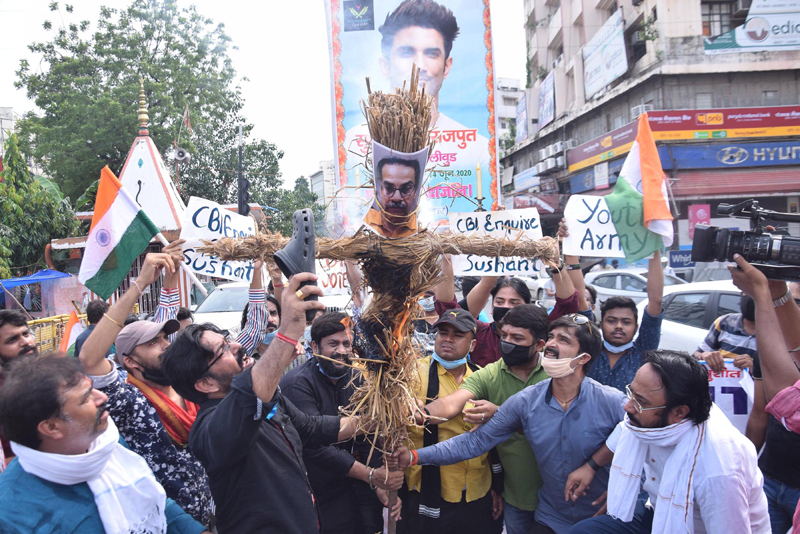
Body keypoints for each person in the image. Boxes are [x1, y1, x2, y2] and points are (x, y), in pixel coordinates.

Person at [161, 273, 371, 533]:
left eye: (228, 339)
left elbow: (312, 429)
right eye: (223, 350)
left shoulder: (271, 399)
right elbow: (248, 397)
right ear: (206, 384)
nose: (237, 346)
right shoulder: (208, 432)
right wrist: (287, 333)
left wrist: (377, 420)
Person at [80, 246, 267, 525]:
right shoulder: (129, 400)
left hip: (218, 512)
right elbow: (89, 359)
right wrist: (141, 283)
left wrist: (257, 274)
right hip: (167, 523)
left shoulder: (194, 382)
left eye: (166, 339)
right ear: (130, 361)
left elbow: (252, 332)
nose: (166, 346)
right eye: (153, 343)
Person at [396, 313, 624, 534]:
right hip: (552, 517)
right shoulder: (526, 401)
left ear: (583, 358)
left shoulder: (613, 402)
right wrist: (415, 456)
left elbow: (645, 436)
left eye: (563, 340)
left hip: (603, 517)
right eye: (552, 337)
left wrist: (602, 474)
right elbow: (474, 442)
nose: (552, 344)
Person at [0, 355, 208, 534]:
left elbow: (158, 504)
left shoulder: (109, 445)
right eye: (85, 398)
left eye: (92, 389)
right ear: (51, 427)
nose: (102, 397)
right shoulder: (11, 511)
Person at [568, 350, 769, 534]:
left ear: (679, 412)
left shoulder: (719, 469)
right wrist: (591, 466)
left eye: (640, 401)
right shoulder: (648, 420)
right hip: (658, 511)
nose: (628, 406)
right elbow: (624, 430)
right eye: (632, 393)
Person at [344, 0, 490, 224]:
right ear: (385, 65)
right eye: (406, 52)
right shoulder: (354, 143)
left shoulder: (476, 148)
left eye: (432, 54)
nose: (419, 66)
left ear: (447, 66)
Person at [410, 303, 550, 533]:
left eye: (516, 337)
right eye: (503, 335)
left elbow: (559, 427)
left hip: (556, 493)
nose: (507, 342)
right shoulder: (490, 373)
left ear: (539, 345)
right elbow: (452, 403)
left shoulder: (557, 374)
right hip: (513, 496)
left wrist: (502, 415)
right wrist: (421, 414)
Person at [280, 311, 402, 534]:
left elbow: (367, 437)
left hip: (355, 483)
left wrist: (378, 483)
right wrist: (369, 475)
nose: (341, 351)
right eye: (333, 344)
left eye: (347, 344)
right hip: (316, 488)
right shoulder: (296, 384)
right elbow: (312, 444)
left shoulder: (355, 377)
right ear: (315, 348)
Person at [399, 308, 502, 534]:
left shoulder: (484, 377)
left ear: (473, 345)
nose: (447, 339)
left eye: (457, 335)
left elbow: (498, 438)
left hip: (477, 490)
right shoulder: (412, 374)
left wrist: (497, 488)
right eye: (442, 332)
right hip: (428, 489)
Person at [729, 255, 800, 534]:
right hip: (771, 476)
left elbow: (785, 396)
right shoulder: (772, 351)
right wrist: (776, 292)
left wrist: (763, 294)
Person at [434, 254, 578, 367]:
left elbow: (567, 305)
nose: (506, 307)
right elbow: (447, 309)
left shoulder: (543, 331)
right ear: (491, 307)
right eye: (500, 302)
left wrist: (556, 264)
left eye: (514, 303)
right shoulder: (479, 333)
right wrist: (447, 259)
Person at [586, 254, 664, 392]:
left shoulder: (643, 353)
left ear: (636, 327)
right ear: (600, 323)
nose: (618, 326)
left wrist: (654, 250)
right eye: (611, 321)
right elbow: (580, 299)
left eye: (626, 322)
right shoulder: (589, 351)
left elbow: (656, 300)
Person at [693, 295, 757, 373]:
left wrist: (757, 369)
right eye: (747, 292)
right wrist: (703, 355)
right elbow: (696, 355)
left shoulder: (774, 333)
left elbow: (775, 375)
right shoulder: (724, 322)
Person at [364, 156, 422, 238]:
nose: (396, 198)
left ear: (415, 191)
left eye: (406, 188)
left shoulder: (422, 228)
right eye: (389, 188)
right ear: (380, 189)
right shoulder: (366, 223)